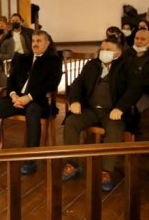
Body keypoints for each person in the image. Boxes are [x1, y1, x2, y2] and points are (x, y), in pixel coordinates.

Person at [61, 39, 142, 192]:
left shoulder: (127, 66)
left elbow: (134, 89)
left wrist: (120, 107)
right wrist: (75, 100)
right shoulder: (92, 65)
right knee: (71, 122)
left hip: (112, 111)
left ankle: (106, 171)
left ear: (118, 53)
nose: (103, 51)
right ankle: (72, 163)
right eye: (102, 48)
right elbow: (78, 83)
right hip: (90, 109)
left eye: (108, 49)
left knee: (115, 129)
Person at [0, 31, 62, 174]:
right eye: (33, 40)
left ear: (47, 43)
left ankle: (31, 159)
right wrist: (13, 95)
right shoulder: (23, 58)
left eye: (39, 41)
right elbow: (11, 79)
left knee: (33, 113)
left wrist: (29, 97)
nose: (35, 44)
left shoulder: (54, 61)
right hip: (16, 99)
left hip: (37, 101)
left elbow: (51, 84)